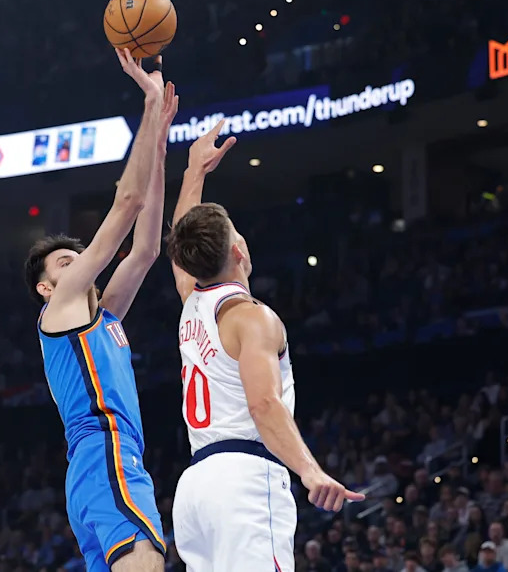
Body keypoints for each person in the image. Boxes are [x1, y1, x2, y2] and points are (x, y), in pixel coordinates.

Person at [165, 120, 364, 571]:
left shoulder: (192, 301)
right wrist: (310, 472)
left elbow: (181, 248)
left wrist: (193, 171)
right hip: (245, 480)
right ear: (239, 249)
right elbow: (263, 404)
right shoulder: (252, 318)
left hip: (195, 487)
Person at [25, 48, 177, 572]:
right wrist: (150, 104)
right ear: (48, 289)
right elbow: (127, 203)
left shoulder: (103, 317)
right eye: (66, 263)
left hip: (101, 463)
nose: (78, 264)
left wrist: (157, 146)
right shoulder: (61, 307)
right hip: (105, 450)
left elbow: (147, 248)